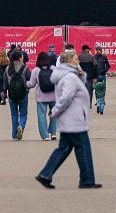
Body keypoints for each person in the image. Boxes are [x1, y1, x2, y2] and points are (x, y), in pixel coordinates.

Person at [34, 49, 101, 190]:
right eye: (76, 58)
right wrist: (55, 110)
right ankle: (87, 180)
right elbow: (66, 97)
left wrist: (81, 74)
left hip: (70, 119)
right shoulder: (69, 77)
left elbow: (77, 86)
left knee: (64, 148)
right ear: (69, 61)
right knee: (83, 149)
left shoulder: (67, 74)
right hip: (74, 119)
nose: (78, 60)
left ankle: (45, 174)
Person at [5, 47, 32, 139]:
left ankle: (14, 134)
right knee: (23, 113)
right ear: (20, 57)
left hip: (11, 94)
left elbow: (5, 82)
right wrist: (27, 88)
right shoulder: (25, 68)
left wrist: (4, 92)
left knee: (14, 114)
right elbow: (29, 80)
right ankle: (21, 125)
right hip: (23, 93)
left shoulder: (8, 68)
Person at [33, 50, 59, 141]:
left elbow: (32, 83)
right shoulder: (53, 68)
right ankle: (53, 133)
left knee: (41, 115)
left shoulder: (36, 70)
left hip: (41, 97)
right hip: (53, 95)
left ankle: (45, 136)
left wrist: (26, 84)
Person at [82, 44, 110, 115]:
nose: (99, 51)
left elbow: (108, 65)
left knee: (103, 88)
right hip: (96, 75)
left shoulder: (104, 57)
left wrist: (104, 71)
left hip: (102, 75)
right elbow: (93, 67)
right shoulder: (93, 57)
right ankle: (98, 102)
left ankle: (101, 100)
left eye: (100, 50)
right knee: (96, 89)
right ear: (96, 51)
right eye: (98, 50)